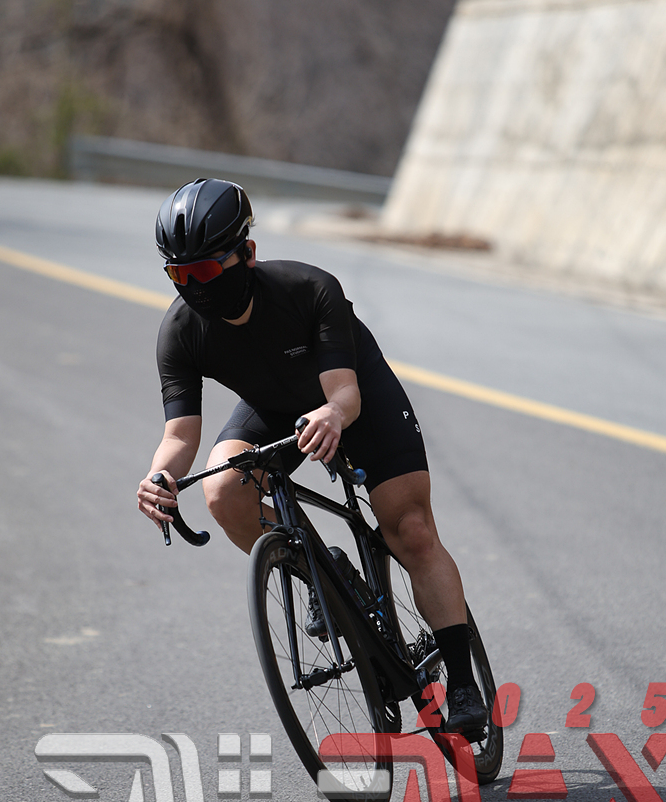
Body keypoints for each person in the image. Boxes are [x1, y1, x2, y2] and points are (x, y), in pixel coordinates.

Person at [137, 178, 489, 740]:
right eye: (179, 275)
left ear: (247, 253)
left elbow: (345, 394)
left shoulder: (307, 288)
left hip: (353, 395)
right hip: (275, 408)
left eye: (203, 270)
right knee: (222, 490)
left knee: (413, 530)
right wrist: (159, 476)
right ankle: (323, 571)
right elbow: (180, 436)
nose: (193, 286)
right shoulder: (180, 332)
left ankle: (465, 686)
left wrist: (332, 414)